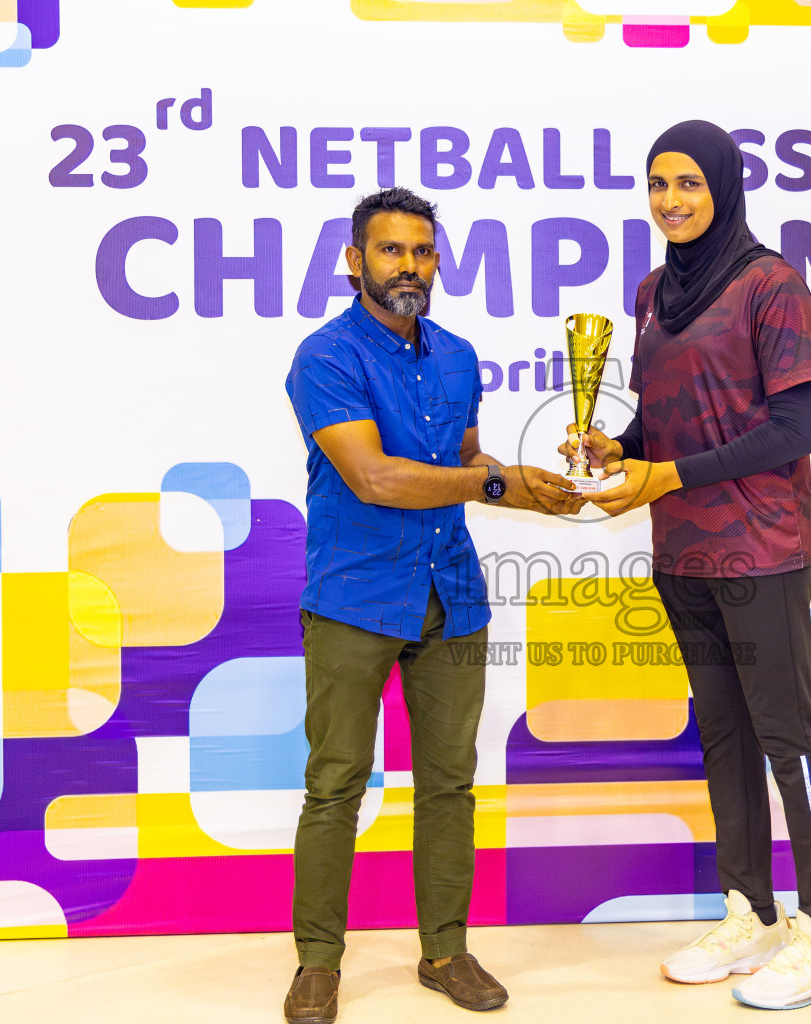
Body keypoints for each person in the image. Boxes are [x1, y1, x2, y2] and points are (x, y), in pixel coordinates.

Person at [562, 120, 811, 1011]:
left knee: (787, 735)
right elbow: (666, 424)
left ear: (724, 187)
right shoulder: (655, 291)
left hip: (761, 549)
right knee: (724, 731)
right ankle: (751, 911)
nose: (670, 201)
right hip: (681, 548)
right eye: (658, 184)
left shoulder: (773, 285)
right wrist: (617, 449)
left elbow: (792, 430)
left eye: (689, 183)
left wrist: (666, 473)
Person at [284, 186, 582, 1023]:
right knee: (336, 785)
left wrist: (536, 488)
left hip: (450, 596)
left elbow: (465, 463)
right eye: (390, 251)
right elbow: (375, 477)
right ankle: (317, 963)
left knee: (450, 785)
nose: (408, 266)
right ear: (355, 261)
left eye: (422, 251)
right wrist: (495, 480)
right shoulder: (326, 358)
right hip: (353, 596)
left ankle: (445, 950)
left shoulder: (456, 356)